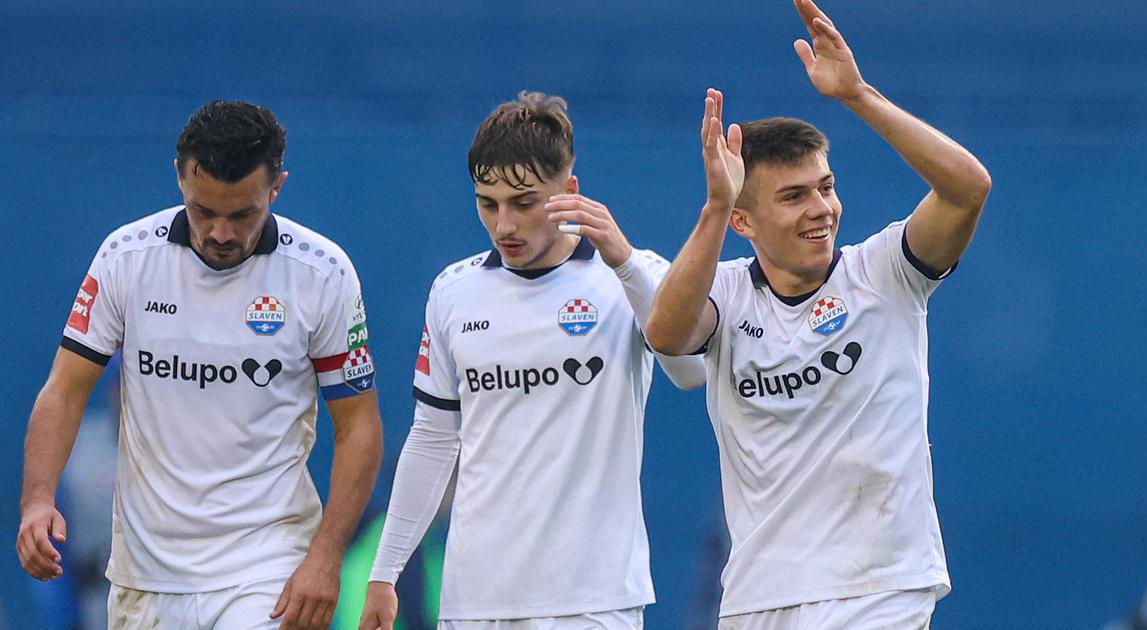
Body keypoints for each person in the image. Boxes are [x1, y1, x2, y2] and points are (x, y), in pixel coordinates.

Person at [644, 0, 992, 627]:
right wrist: (715, 207)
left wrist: (858, 96)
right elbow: (666, 336)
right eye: (793, 196)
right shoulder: (725, 292)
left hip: (881, 587)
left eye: (826, 187)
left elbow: (968, 188)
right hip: (760, 595)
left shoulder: (885, 271)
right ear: (745, 221)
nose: (821, 209)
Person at [17, 100, 384, 630]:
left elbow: (358, 424)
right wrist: (37, 500)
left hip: (267, 568)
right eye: (203, 210)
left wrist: (326, 557)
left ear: (276, 188)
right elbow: (65, 390)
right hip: (146, 575)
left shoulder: (323, 274)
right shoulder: (125, 258)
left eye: (242, 214)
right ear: (179, 176)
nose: (220, 233)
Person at [357, 92, 705, 629]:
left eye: (524, 203)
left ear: (570, 193)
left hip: (593, 599)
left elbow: (691, 373)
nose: (504, 225)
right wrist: (385, 572)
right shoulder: (453, 291)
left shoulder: (633, 276)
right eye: (487, 203)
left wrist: (624, 262)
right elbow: (432, 439)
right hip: (475, 600)